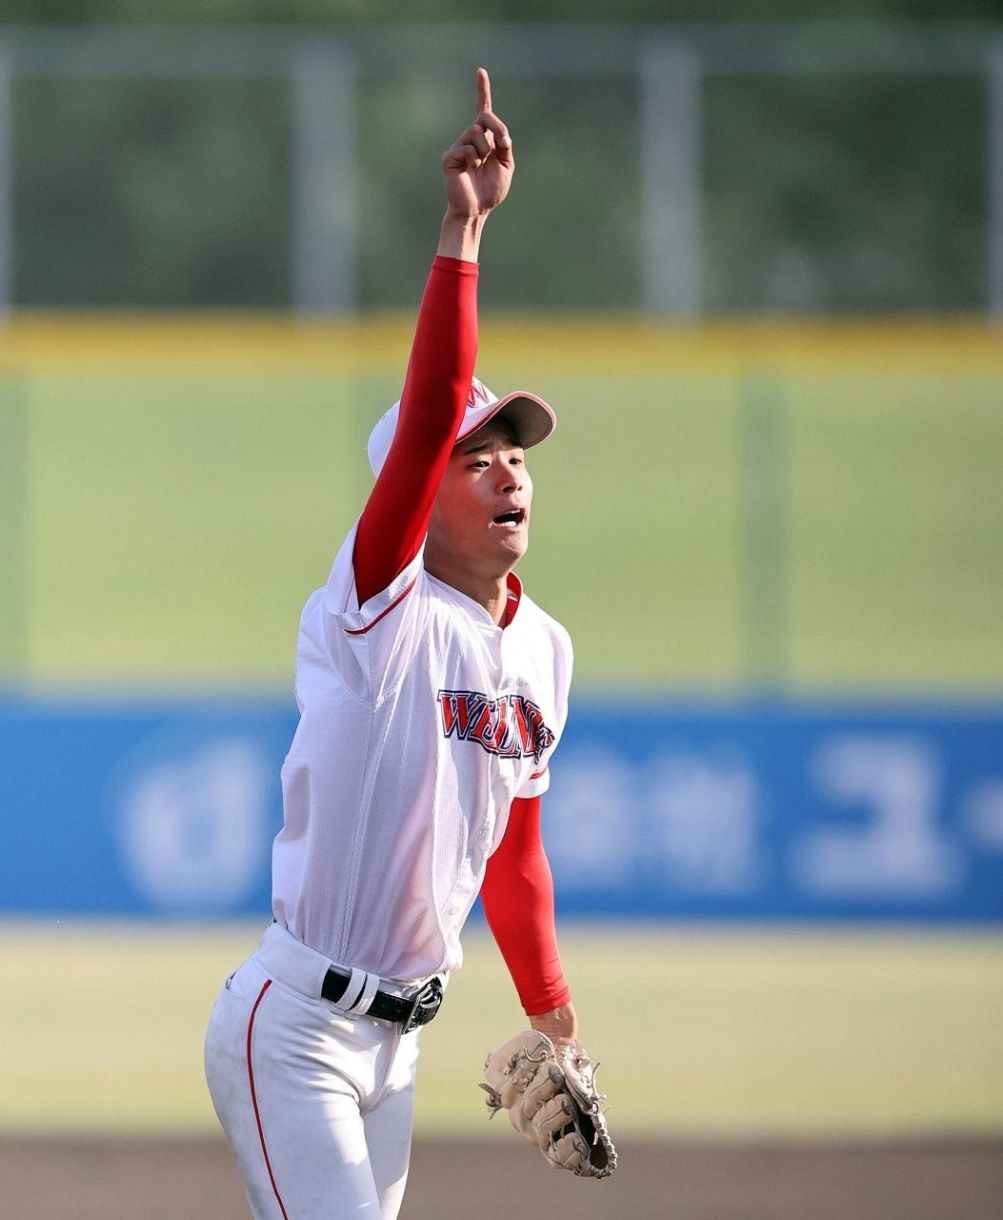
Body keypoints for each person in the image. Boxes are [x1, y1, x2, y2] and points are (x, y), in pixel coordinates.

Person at [204, 68, 581, 1220]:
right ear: (417, 499)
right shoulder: (379, 611)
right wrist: (462, 229)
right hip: (296, 1030)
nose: (508, 465)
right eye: (479, 457)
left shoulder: (545, 649)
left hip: (399, 1045)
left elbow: (513, 853)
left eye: (515, 450)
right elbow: (421, 420)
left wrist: (552, 1009)